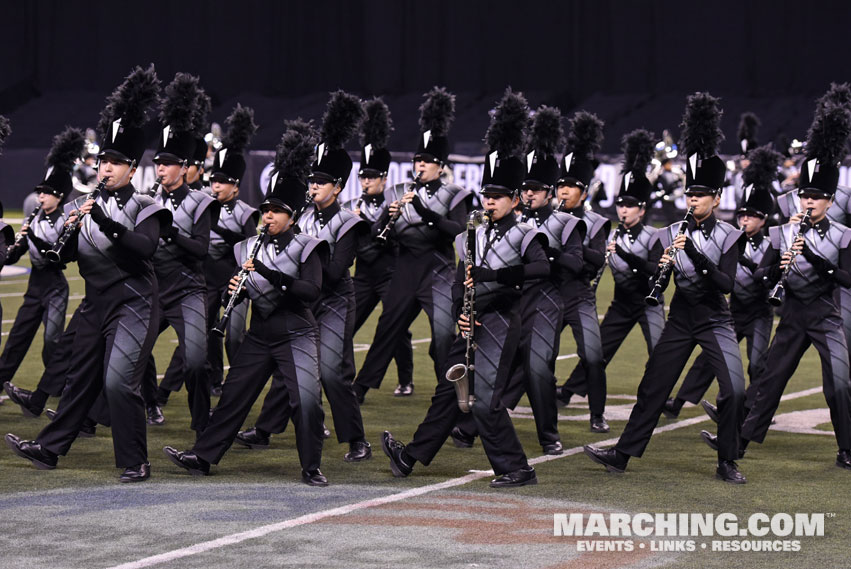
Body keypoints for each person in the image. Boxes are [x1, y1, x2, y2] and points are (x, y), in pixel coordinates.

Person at [5, 65, 169, 482]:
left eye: (115, 163)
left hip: (134, 301)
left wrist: (105, 223)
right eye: (103, 161)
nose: (106, 168)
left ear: (133, 169)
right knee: (79, 379)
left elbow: (144, 248)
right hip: (97, 303)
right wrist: (57, 238)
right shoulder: (84, 207)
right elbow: (65, 260)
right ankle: (49, 448)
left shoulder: (146, 206)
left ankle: (136, 460)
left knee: (118, 382)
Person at [383, 89, 549, 487]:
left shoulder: (528, 235)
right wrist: (460, 307)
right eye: (487, 196)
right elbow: (461, 277)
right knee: (447, 392)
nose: (490, 203)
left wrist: (495, 278)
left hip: (503, 321)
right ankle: (411, 456)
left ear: (513, 199)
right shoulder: (471, 235)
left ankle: (516, 468)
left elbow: (541, 270)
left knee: (486, 400)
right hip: (471, 322)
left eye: (497, 197)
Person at [584, 92, 748, 484]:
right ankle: (622, 454)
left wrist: (694, 252)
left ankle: (727, 460)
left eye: (700, 195)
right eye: (689, 194)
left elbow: (725, 284)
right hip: (680, 319)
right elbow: (653, 280)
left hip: (714, 320)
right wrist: (661, 270)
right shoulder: (667, 234)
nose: (692, 200)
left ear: (717, 198)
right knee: (652, 387)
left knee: (736, 390)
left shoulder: (729, 235)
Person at [164, 128, 329, 485]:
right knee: (233, 397)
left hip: (297, 332)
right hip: (260, 333)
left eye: (277, 212)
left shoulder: (309, 247)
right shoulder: (246, 248)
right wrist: (232, 292)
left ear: (294, 216)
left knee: (306, 402)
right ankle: (203, 457)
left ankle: (311, 466)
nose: (267, 216)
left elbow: (311, 291)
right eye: (266, 210)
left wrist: (269, 274)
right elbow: (243, 288)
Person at [237, 93, 371, 462]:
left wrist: (284, 275)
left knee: (331, 371)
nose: (312, 188)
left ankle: (356, 439)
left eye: (321, 183)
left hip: (333, 300)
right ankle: (265, 429)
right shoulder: (303, 217)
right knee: (289, 365)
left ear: (339, 187)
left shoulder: (349, 223)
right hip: (301, 295)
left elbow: (333, 272)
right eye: (311, 182)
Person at [736, 99, 851, 471]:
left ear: (830, 201)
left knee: (839, 384)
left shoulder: (844, 235)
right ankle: (736, 445)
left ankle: (846, 448)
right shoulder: (781, 232)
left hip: (825, 314)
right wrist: (775, 272)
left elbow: (847, 279)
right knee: (771, 382)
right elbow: (761, 275)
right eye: (804, 195)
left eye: (815, 197)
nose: (807, 201)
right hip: (792, 315)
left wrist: (817, 260)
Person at [354, 87, 472, 402]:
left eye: (427, 161)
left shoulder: (454, 193)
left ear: (441, 165)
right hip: (405, 266)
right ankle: (362, 386)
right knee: (388, 328)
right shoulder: (396, 191)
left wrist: (424, 212)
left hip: (439, 269)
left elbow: (457, 232)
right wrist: (385, 221)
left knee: (444, 336)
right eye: (418, 159)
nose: (420, 165)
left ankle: (448, 392)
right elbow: (383, 232)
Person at [664, 145, 781, 419]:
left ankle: (750, 409)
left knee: (757, 363)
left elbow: (765, 277)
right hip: (734, 308)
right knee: (705, 361)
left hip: (760, 313)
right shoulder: (728, 238)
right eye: (742, 215)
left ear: (763, 220)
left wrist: (749, 263)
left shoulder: (769, 245)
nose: (744, 220)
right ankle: (678, 402)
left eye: (751, 216)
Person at [562, 129, 665, 415]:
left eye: (630, 205)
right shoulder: (613, 235)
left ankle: (657, 396)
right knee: (599, 351)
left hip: (649, 303)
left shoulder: (654, 236)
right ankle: (569, 390)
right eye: (621, 204)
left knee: (659, 351)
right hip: (621, 304)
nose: (623, 210)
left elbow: (654, 272)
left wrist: (623, 255)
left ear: (642, 210)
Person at [139, 74, 220, 434]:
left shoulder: (202, 201)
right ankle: (149, 403)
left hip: (188, 289)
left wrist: (172, 234)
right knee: (133, 351)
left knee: (197, 362)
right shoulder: (147, 198)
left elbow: (201, 250)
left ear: (184, 167)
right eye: (157, 162)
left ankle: (202, 423)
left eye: (167, 163)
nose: (160, 169)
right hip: (152, 285)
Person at [1, 127, 84, 411]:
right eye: (40, 192)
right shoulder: (34, 217)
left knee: (53, 339)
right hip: (34, 287)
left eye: (46, 193)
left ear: (59, 196)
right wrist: (10, 249)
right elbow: (15, 258)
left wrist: (32, 235)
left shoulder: (65, 220)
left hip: (55, 287)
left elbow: (57, 259)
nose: (40, 197)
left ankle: (57, 384)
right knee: (17, 339)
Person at [349, 98, 414, 397]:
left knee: (396, 325)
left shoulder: (396, 203)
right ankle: (343, 376)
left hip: (390, 272)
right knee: (346, 324)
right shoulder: (352, 206)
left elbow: (397, 239)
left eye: (372, 177)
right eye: (363, 176)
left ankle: (406, 379)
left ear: (384, 178)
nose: (366, 181)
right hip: (362, 275)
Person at [552, 111, 611, 433]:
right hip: (548, 294)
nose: (564, 191)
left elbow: (597, 260)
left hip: (579, 295)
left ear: (584, 192)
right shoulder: (547, 217)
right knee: (531, 355)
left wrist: (566, 248)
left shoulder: (597, 222)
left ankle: (597, 414)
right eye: (561, 185)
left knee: (592, 355)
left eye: (571, 186)